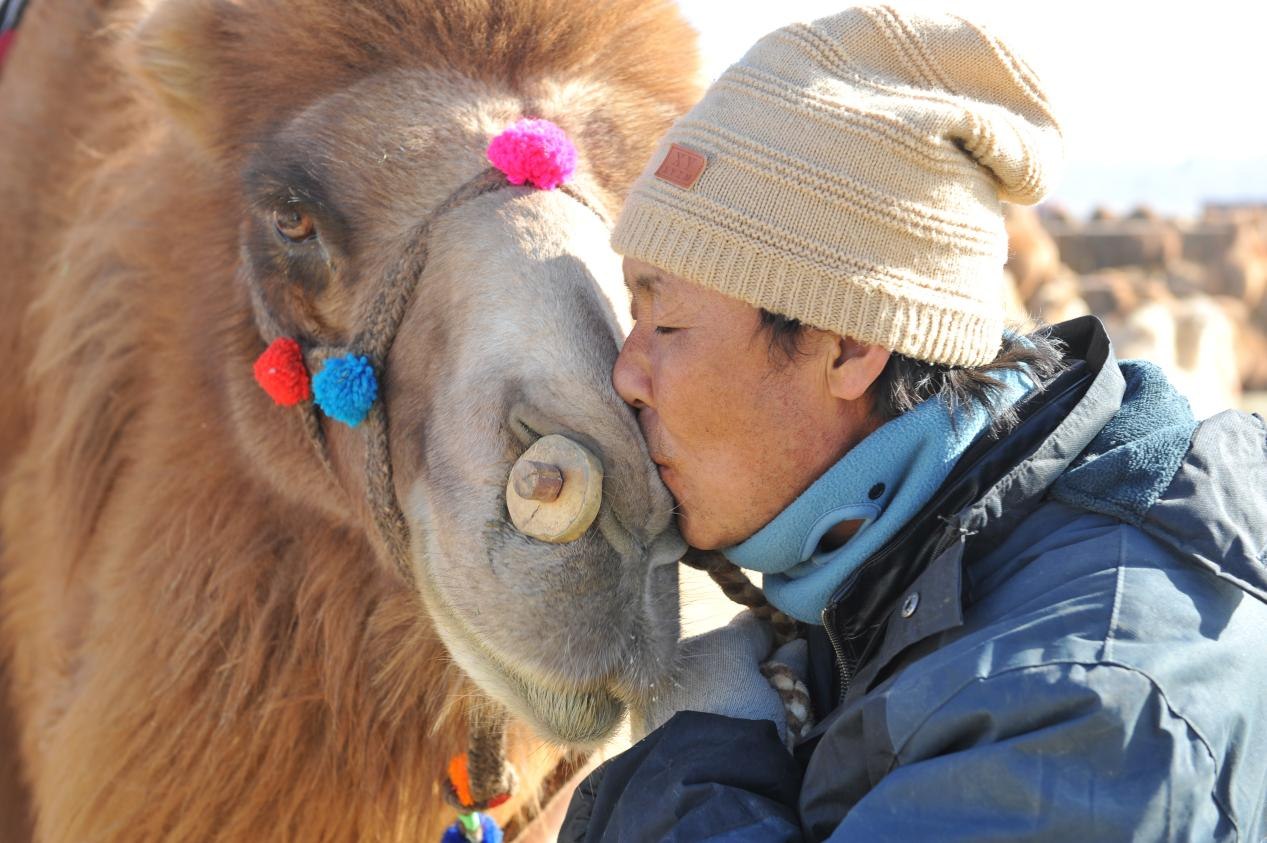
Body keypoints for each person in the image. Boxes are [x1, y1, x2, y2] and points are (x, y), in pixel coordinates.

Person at [560, 6, 1267, 841]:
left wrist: (700, 754)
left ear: (851, 345)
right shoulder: (918, 568)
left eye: (665, 323)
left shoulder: (1083, 709)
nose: (624, 373)